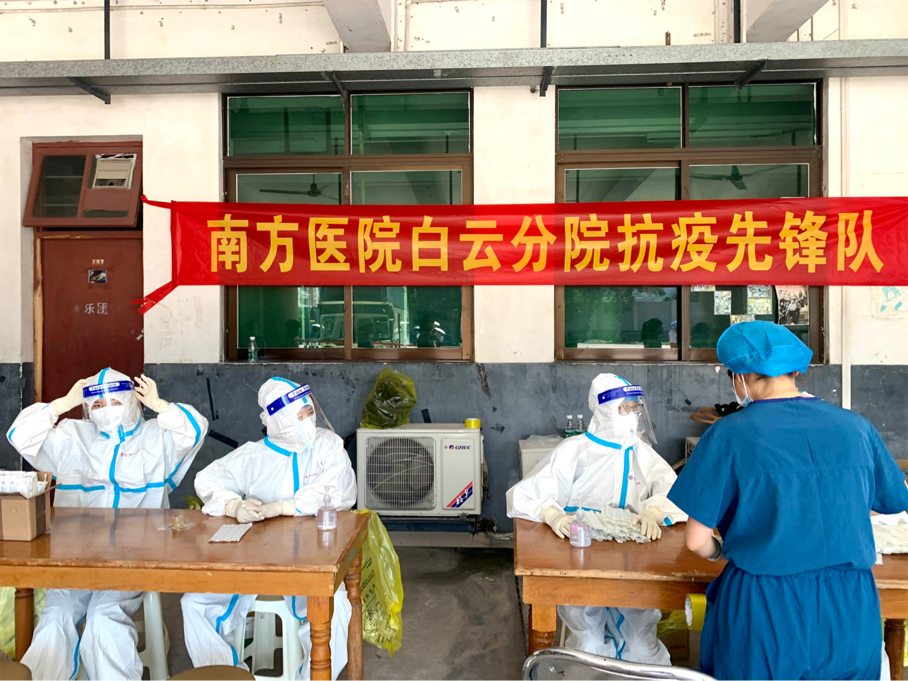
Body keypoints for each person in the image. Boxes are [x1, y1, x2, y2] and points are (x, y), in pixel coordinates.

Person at [668, 321, 908, 681]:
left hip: (765, 602)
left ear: (740, 377)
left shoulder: (729, 434)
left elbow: (695, 539)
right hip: (849, 602)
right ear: (795, 370)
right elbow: (892, 499)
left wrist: (718, 552)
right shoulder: (856, 427)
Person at [6, 368, 208, 681]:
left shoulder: (157, 438)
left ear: (133, 402)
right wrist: (60, 405)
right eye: (97, 405)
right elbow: (19, 435)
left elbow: (195, 429)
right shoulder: (71, 437)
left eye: (116, 401)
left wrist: (161, 406)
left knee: (104, 618)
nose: (107, 410)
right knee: (55, 617)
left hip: (133, 559)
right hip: (73, 558)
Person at [181, 378, 356, 681]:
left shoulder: (327, 445)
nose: (307, 422)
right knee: (194, 603)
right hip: (256, 562)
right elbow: (206, 480)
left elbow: (342, 492)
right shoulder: (253, 457)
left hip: (315, 561)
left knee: (337, 606)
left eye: (309, 413)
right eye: (298, 416)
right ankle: (231, 676)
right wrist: (233, 505)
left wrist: (283, 506)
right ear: (276, 421)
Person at [507, 373, 687, 664]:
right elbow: (525, 494)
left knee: (641, 648)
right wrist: (551, 514)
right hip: (580, 560)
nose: (633, 415)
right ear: (605, 410)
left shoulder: (641, 453)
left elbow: (676, 492)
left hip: (634, 564)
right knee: (589, 646)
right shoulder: (574, 451)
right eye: (625, 408)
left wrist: (655, 510)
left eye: (636, 408)